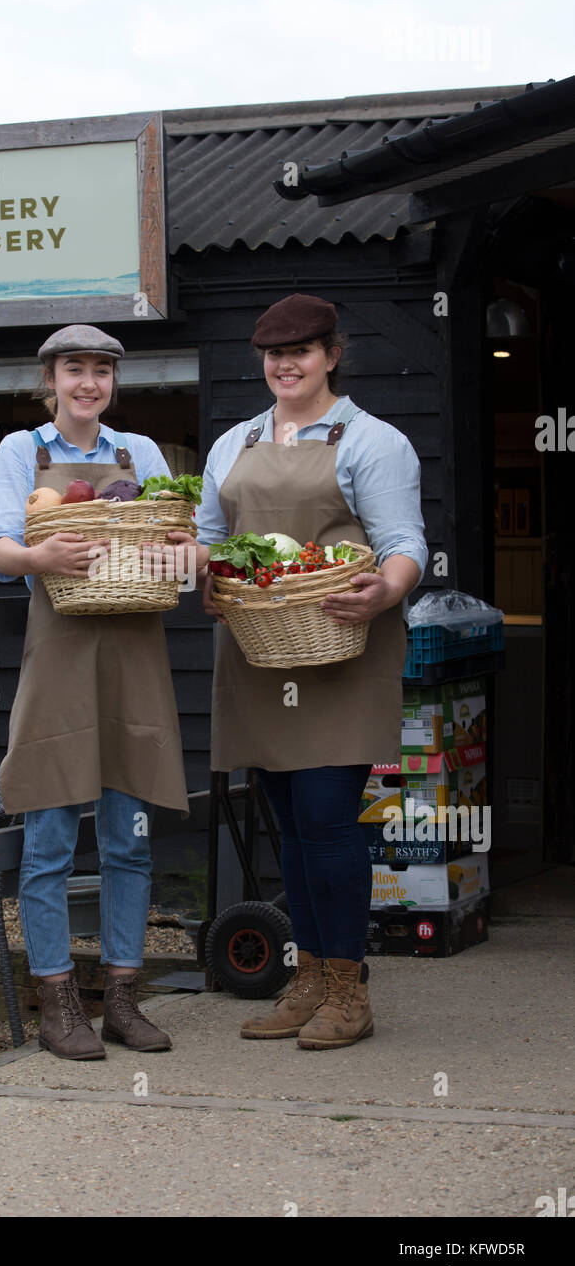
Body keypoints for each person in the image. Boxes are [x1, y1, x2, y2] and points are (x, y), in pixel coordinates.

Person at [195, 294, 427, 1049]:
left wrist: (386, 590)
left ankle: (348, 988)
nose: (285, 364)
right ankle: (307, 978)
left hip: (341, 647)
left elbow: (402, 545)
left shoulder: (372, 441)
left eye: (302, 351)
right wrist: (205, 575)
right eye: (273, 353)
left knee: (327, 815)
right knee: (289, 823)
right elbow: (208, 539)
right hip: (262, 650)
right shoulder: (234, 443)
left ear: (333, 354)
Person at [0, 325, 204, 1060]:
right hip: (59, 654)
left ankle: (121, 1001)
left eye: (101, 371)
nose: (88, 383)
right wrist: (39, 555)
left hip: (135, 651)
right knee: (47, 841)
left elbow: (182, 537)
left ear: (114, 381)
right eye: (74, 369)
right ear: (50, 378)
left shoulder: (138, 453)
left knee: (128, 841)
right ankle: (56, 1004)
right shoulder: (24, 451)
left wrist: (181, 552)